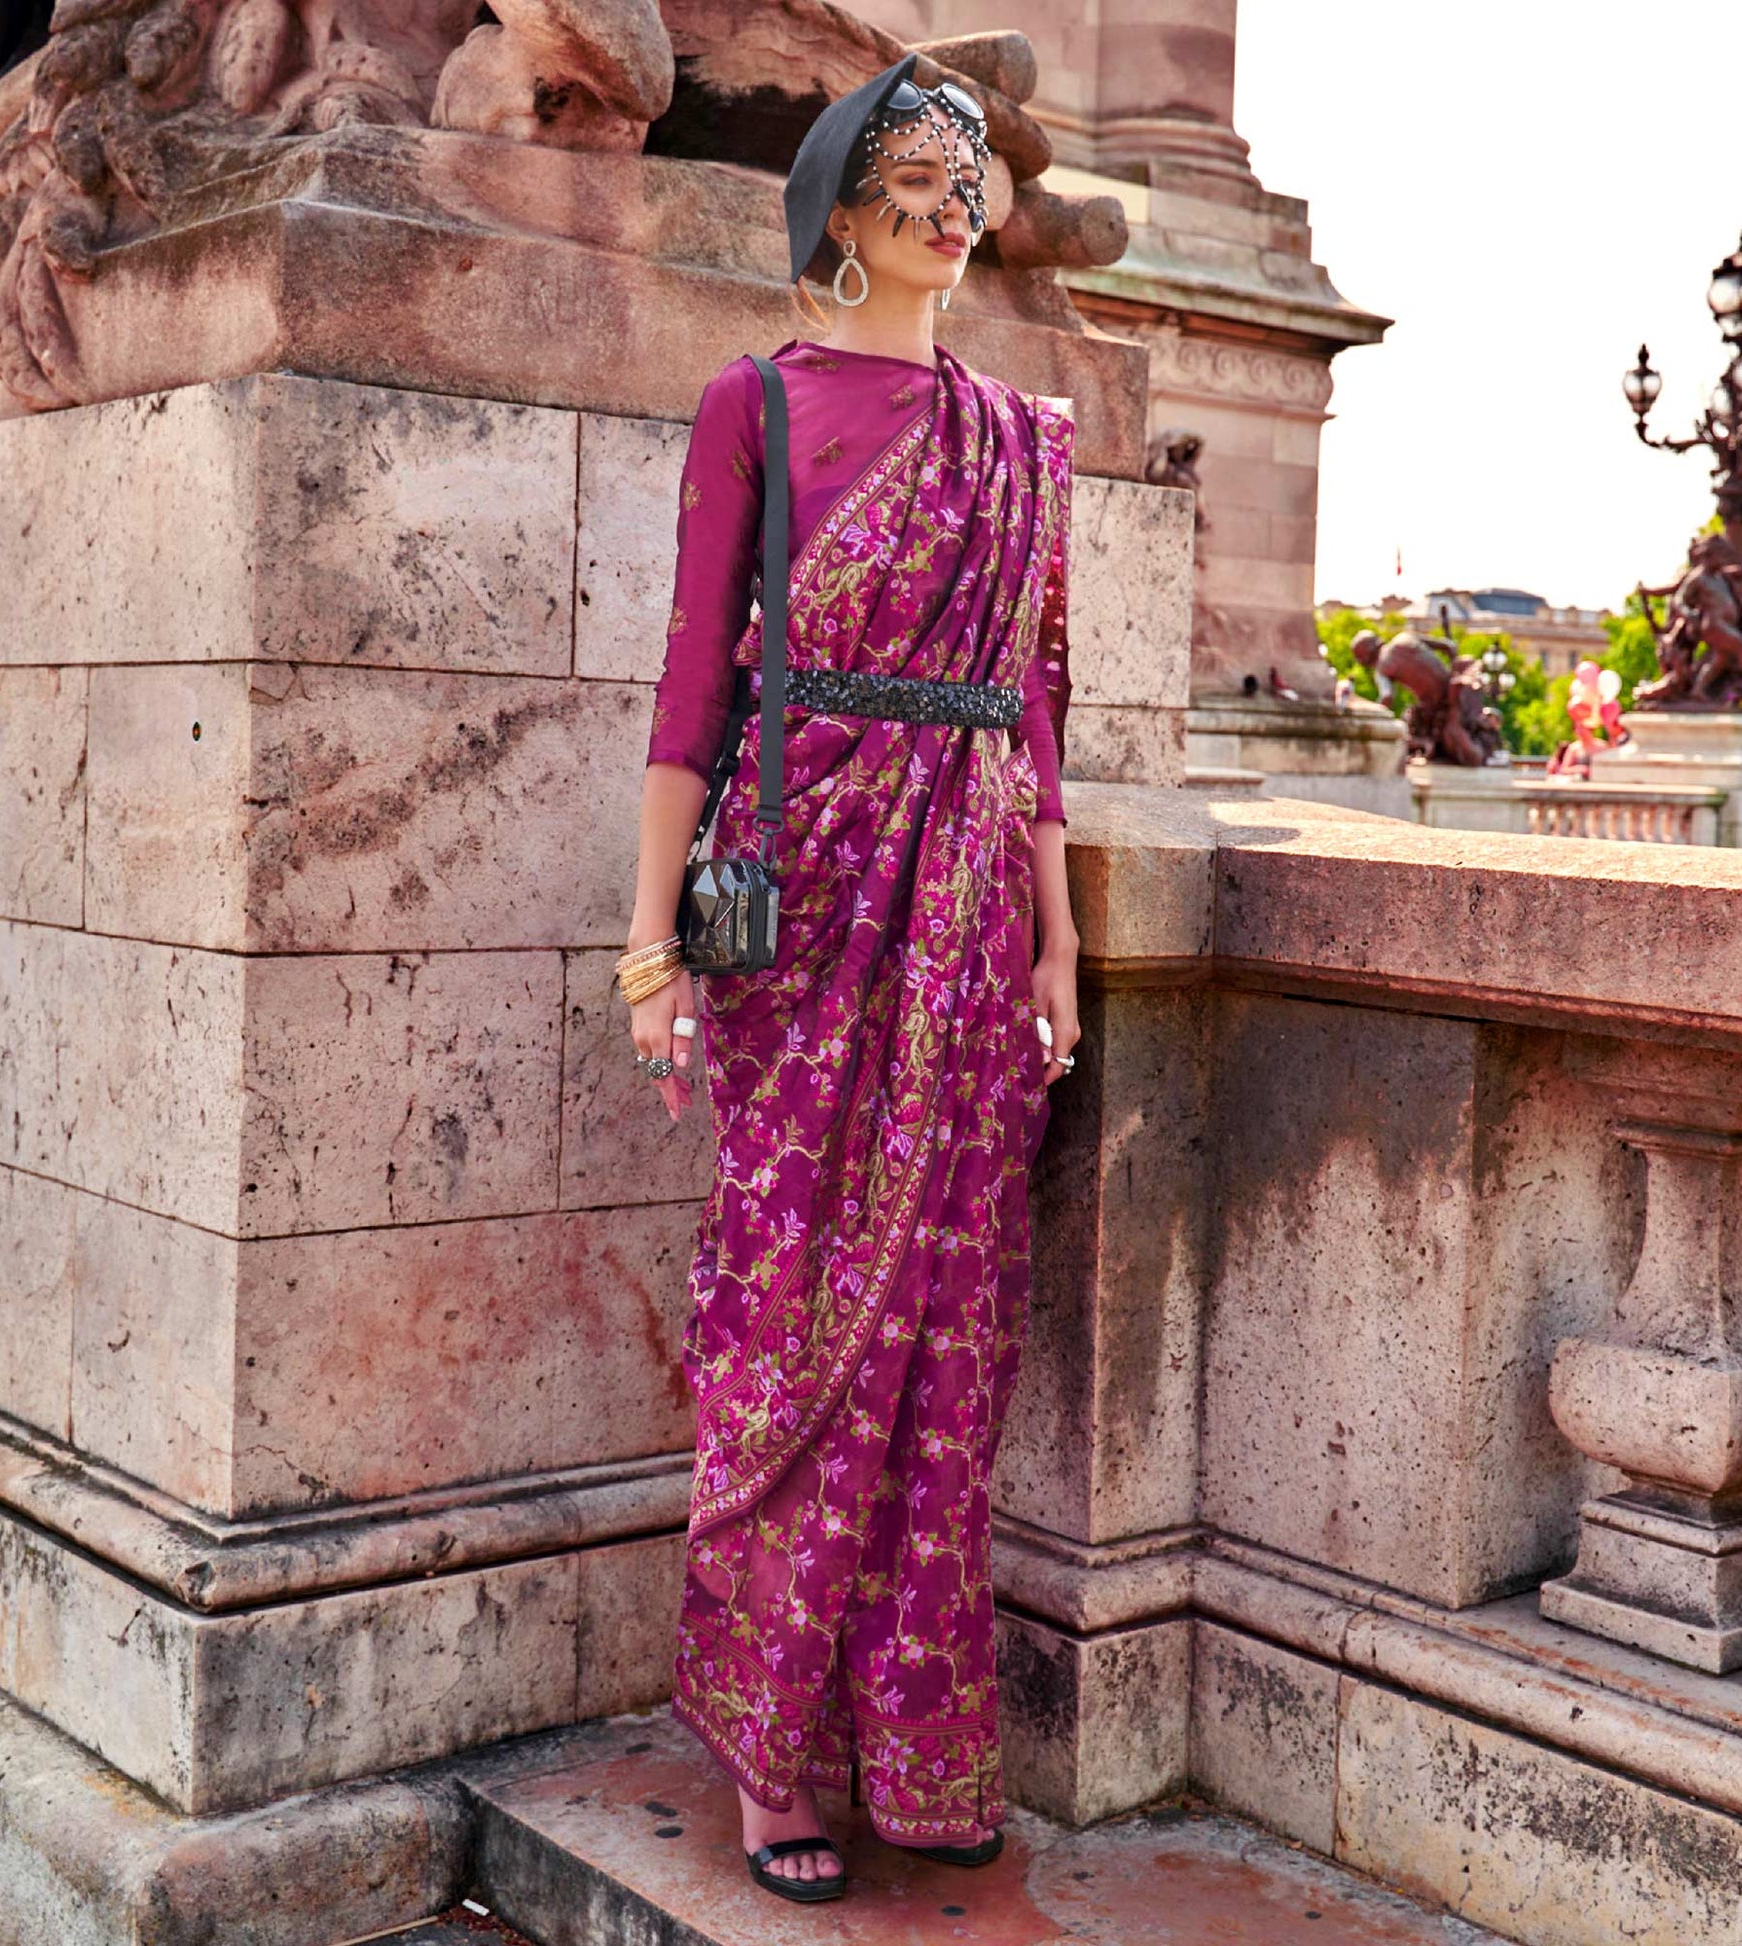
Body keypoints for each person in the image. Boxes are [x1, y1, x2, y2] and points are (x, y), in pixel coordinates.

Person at [613, 54, 1083, 1905]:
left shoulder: (1024, 438)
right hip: (803, 899)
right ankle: (773, 1745)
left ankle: (920, 1737)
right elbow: (685, 693)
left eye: (968, 178)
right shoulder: (757, 406)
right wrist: (649, 943)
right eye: (912, 173)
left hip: (970, 908)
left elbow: (1035, 716)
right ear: (835, 203)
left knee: (951, 1338)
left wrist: (1058, 934)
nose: (951, 204)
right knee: (794, 1315)